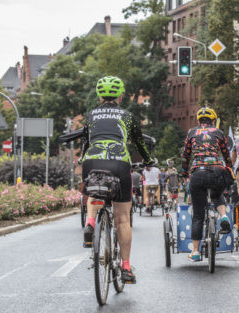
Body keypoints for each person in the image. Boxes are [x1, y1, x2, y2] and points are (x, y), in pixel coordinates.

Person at [81, 76, 151, 284]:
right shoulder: (127, 115)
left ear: (99, 95)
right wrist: (148, 160)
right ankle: (126, 268)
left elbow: (86, 140)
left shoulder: (91, 115)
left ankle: (90, 222)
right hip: (119, 163)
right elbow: (139, 142)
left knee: (93, 192)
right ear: (121, 96)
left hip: (92, 161)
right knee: (122, 219)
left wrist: (83, 157)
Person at [181, 107, 233, 262]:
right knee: (217, 195)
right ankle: (223, 216)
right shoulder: (218, 132)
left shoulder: (191, 132)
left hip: (197, 172)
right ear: (213, 119)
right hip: (217, 170)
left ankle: (195, 252)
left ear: (198, 120)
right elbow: (226, 153)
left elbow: (185, 155)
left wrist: (184, 174)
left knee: (198, 214)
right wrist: (228, 167)